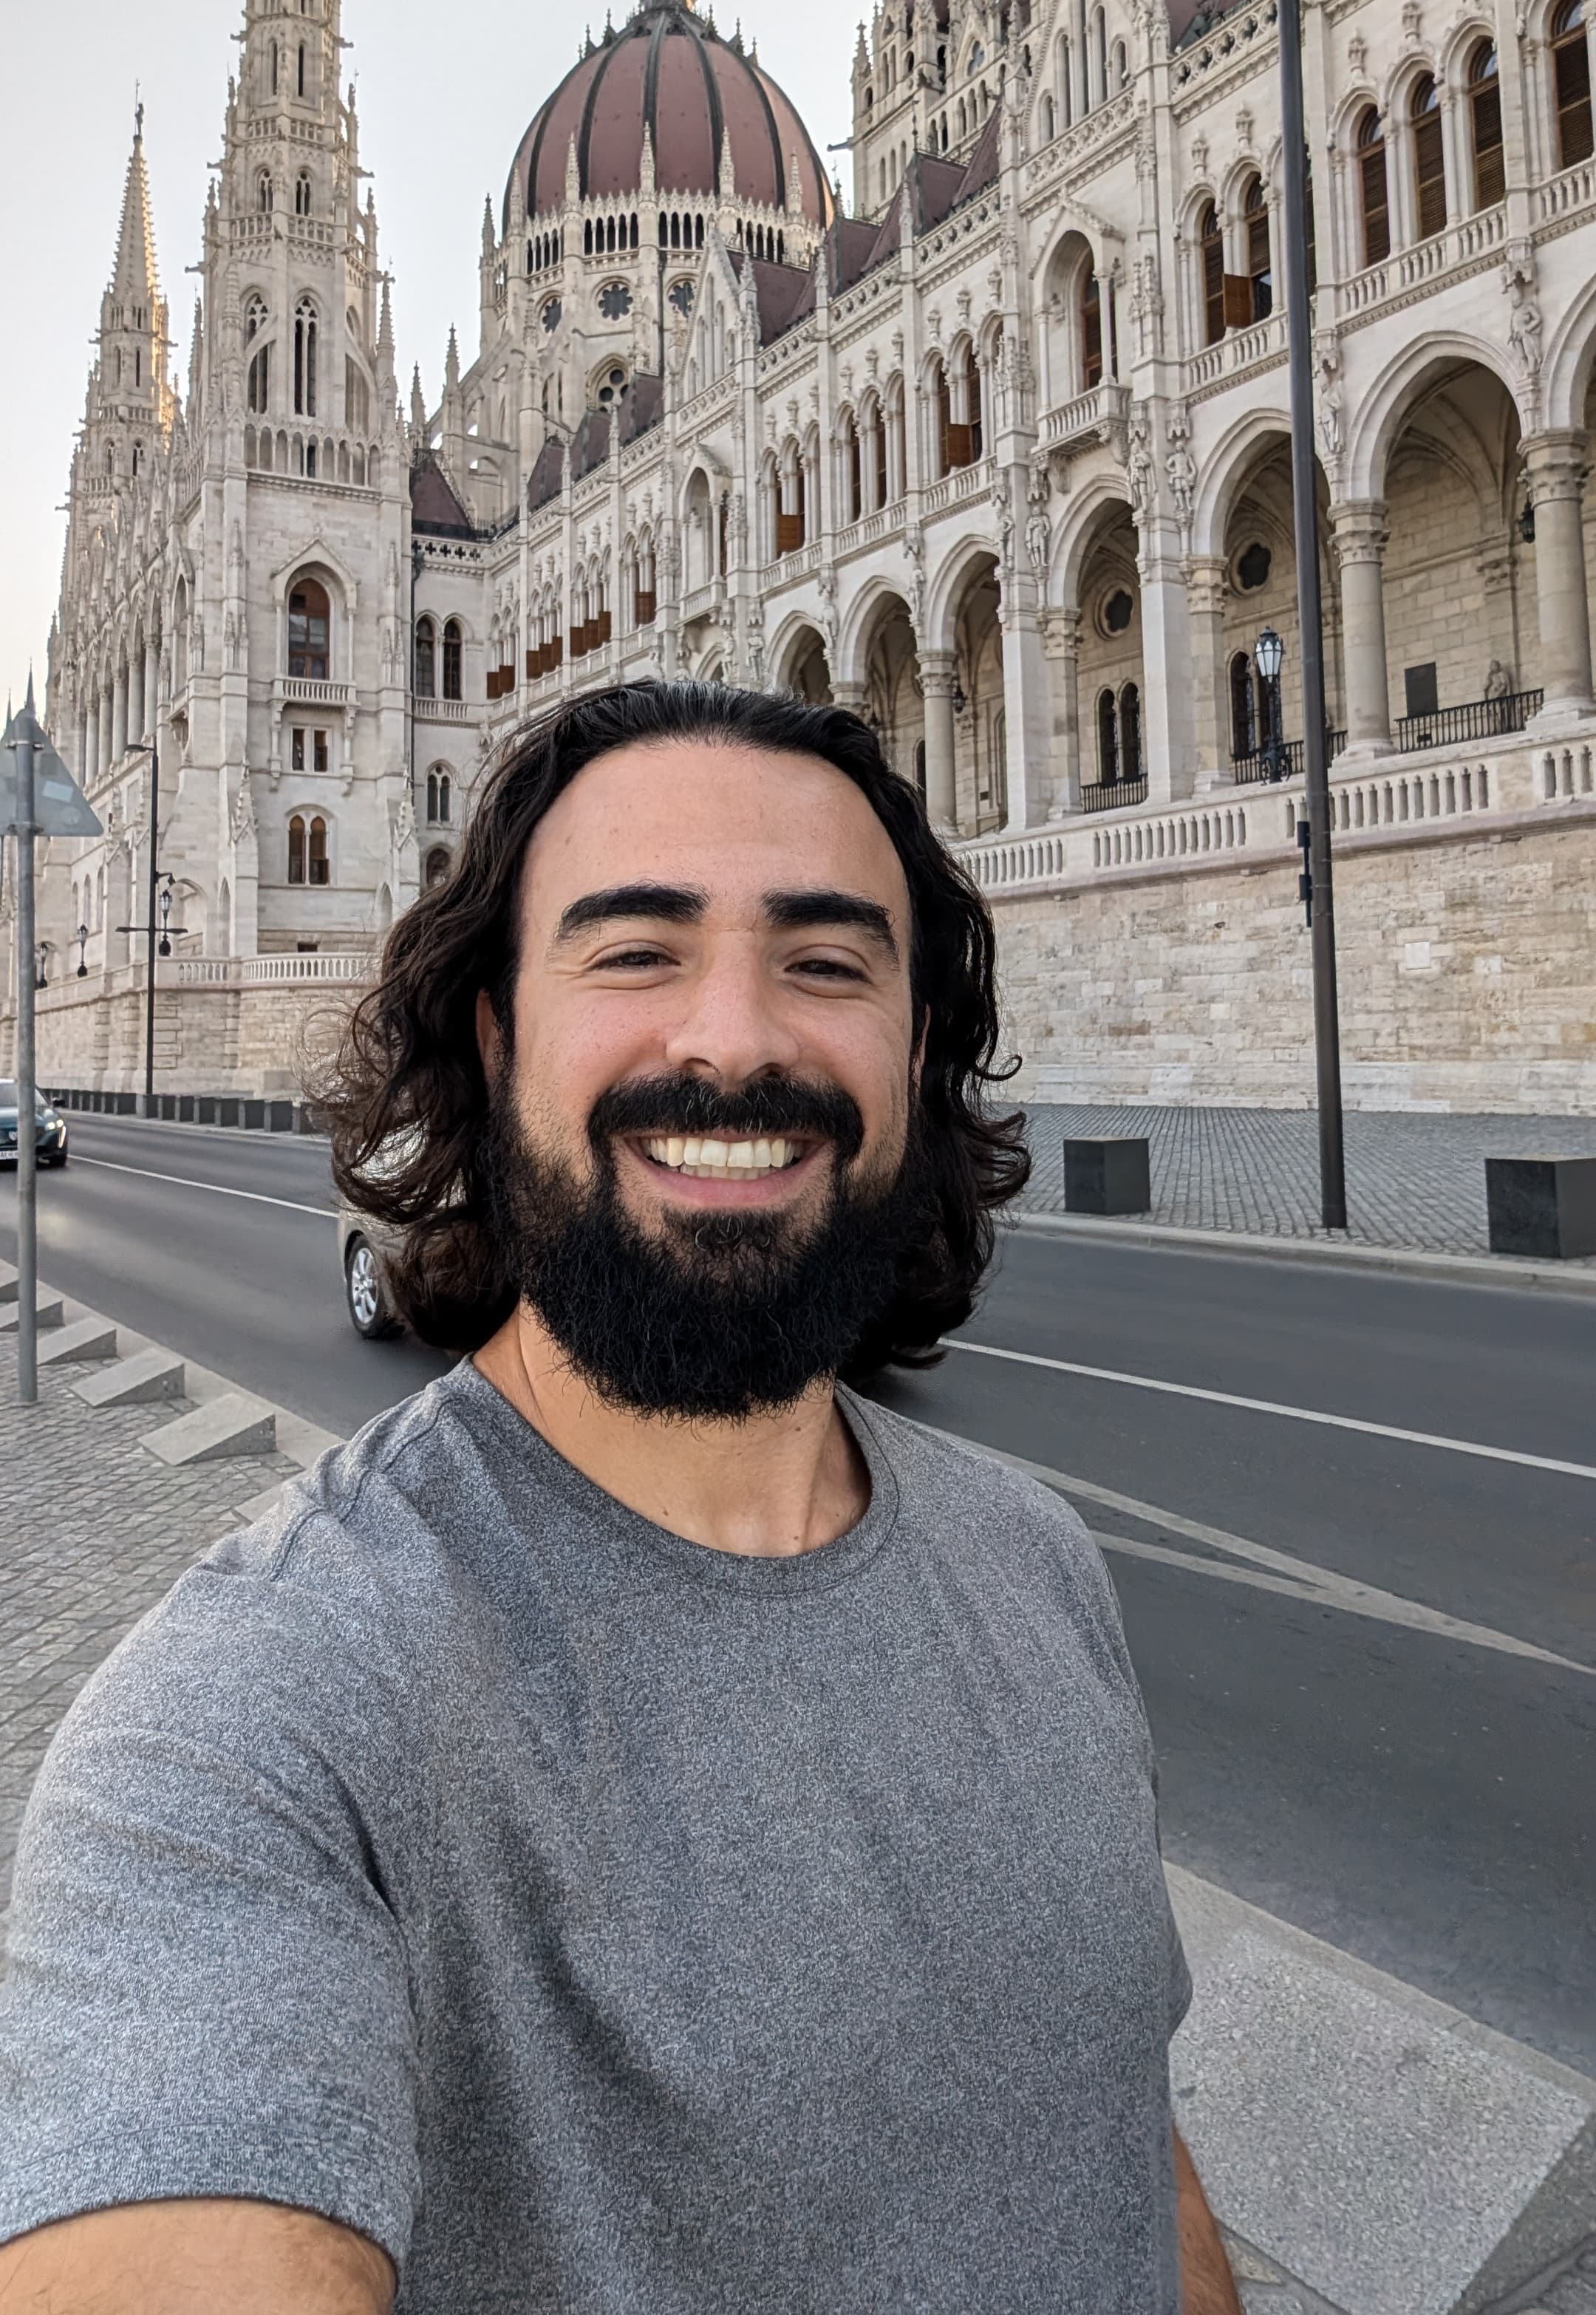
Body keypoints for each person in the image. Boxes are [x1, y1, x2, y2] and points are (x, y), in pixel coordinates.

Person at [0, 680, 1241, 2315]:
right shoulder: (258, 1726)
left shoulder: (1040, 1562)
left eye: (827, 959)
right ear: (499, 1036)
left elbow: (1120, 2150)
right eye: (636, 950)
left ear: (915, 1043)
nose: (734, 1036)